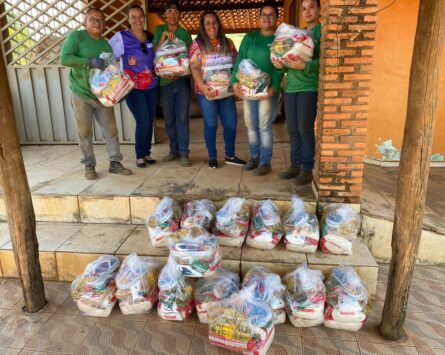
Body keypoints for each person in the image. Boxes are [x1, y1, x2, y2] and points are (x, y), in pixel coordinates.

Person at [60, 7, 131, 180]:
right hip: (81, 93)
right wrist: (88, 62)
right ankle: (89, 164)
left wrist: (119, 90)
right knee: (84, 131)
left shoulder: (105, 43)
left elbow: (111, 70)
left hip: (102, 95)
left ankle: (115, 162)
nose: (98, 23)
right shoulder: (76, 37)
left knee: (111, 129)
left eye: (101, 20)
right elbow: (64, 58)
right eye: (93, 19)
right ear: (85, 21)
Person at [189, 11, 246, 169]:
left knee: (231, 124)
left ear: (219, 24)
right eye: (207, 23)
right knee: (211, 124)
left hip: (226, 92)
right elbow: (194, 67)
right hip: (207, 92)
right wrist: (202, 86)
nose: (211, 26)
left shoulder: (228, 43)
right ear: (203, 26)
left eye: (214, 22)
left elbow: (236, 64)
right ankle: (212, 157)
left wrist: (237, 82)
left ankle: (230, 155)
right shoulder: (197, 44)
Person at [231, 4, 283, 176]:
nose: (267, 18)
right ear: (259, 17)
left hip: (267, 91)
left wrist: (274, 87)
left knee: (264, 125)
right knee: (250, 125)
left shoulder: (279, 40)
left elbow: (279, 67)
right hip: (249, 89)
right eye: (264, 14)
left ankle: (265, 161)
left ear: (276, 18)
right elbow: (240, 62)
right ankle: (254, 156)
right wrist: (234, 81)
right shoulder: (250, 37)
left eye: (271, 14)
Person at [273, 0, 321, 185]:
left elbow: (325, 63)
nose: (307, 11)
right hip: (291, 87)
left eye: (311, 7)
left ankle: (307, 168)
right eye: (304, 8)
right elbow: (285, 61)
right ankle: (295, 165)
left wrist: (304, 65)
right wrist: (279, 65)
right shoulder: (297, 34)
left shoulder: (321, 32)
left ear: (319, 9)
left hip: (308, 87)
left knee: (305, 129)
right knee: (292, 130)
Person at [109, 5, 159, 168]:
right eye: (133, 17)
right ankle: (139, 155)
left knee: (149, 120)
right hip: (133, 88)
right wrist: (117, 76)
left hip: (152, 85)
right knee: (143, 120)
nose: (138, 20)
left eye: (140, 16)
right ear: (128, 20)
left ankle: (146, 153)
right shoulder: (121, 37)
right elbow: (109, 57)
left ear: (144, 18)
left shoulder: (150, 37)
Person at [153, 0, 193, 167]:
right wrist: (163, 38)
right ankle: (173, 150)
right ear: (165, 15)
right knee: (169, 119)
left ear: (179, 15)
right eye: (170, 11)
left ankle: (184, 152)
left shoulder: (185, 34)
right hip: (164, 83)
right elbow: (155, 54)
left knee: (182, 118)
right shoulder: (159, 30)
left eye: (176, 12)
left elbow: (189, 59)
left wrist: (178, 73)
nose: (173, 15)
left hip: (181, 82)